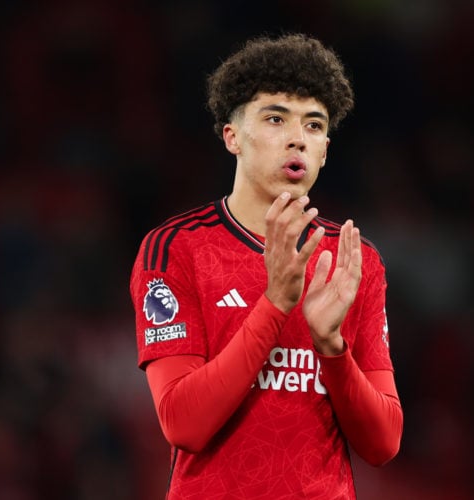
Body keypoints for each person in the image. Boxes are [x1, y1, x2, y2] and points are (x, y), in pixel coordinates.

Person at [130, 33, 403, 499]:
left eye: (314, 126)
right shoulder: (176, 248)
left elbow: (382, 443)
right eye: (275, 118)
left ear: (325, 150)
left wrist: (331, 346)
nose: (297, 138)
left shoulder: (355, 261)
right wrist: (276, 304)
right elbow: (183, 424)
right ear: (232, 137)